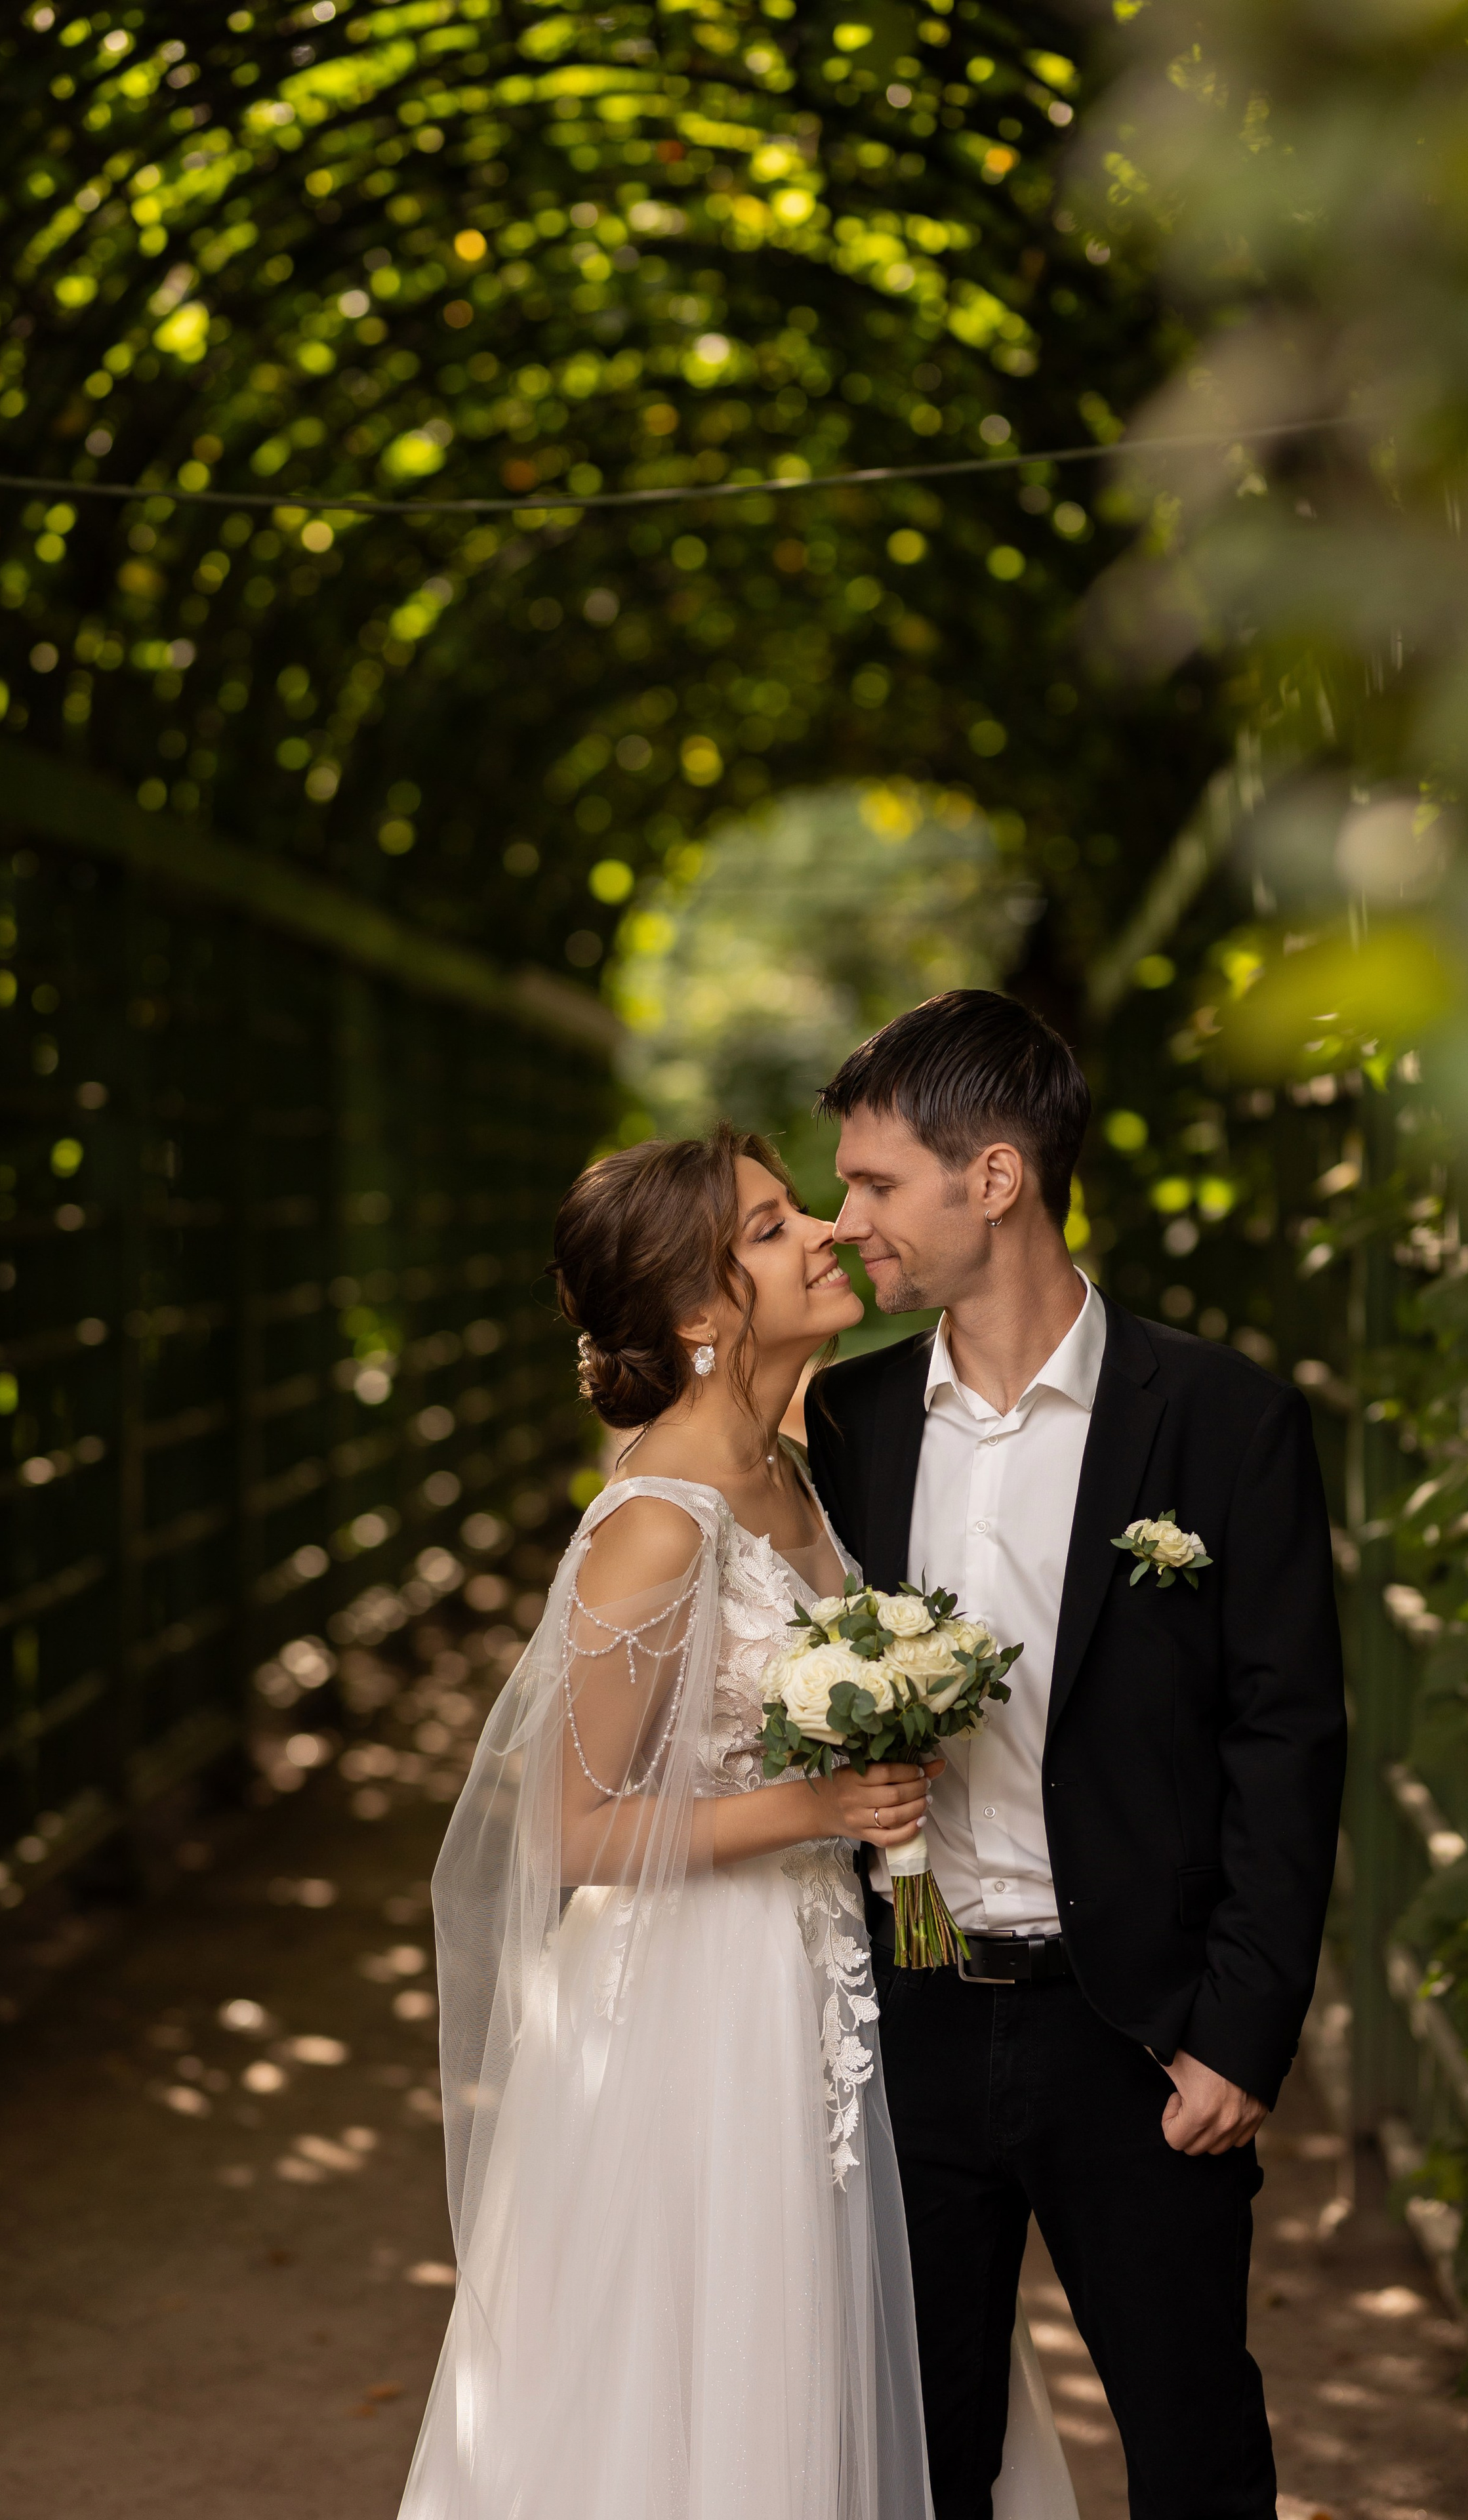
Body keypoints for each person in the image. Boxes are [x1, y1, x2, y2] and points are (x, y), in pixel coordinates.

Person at [397, 1123, 1080, 2520]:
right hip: (692, 2019)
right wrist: (815, 1803)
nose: (826, 1229)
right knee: (712, 2358)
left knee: (866, 2338)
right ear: (701, 1312)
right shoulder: (657, 1520)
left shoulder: (794, 1464)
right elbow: (569, 1836)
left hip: (830, 1977)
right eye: (771, 1227)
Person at [805, 990, 1347, 2520]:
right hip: (900, 2018)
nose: (848, 1221)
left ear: (995, 1179)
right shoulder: (844, 1426)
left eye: (874, 1183)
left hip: (1136, 2034)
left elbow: (1285, 1733)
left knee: (1190, 2451)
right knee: (919, 2462)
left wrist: (1237, 2029)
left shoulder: (1225, 1418)